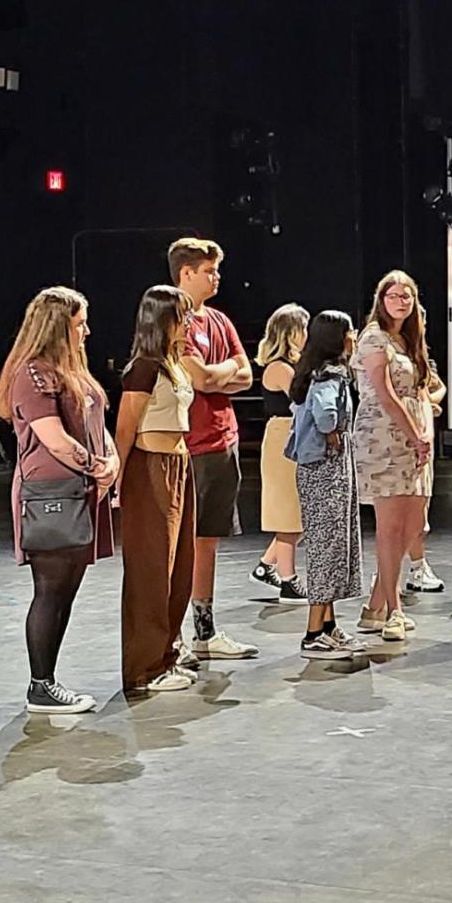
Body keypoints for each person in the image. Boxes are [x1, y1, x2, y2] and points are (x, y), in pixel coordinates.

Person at [0, 287, 120, 714]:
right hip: (51, 494)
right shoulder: (31, 376)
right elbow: (54, 439)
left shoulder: (73, 372)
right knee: (50, 589)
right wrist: (96, 467)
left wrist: (111, 462)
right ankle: (41, 686)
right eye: (79, 323)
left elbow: (97, 423)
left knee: (65, 589)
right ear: (57, 327)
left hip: (80, 491)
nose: (86, 331)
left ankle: (47, 682)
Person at [168, 238, 258, 661]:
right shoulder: (172, 320)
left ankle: (205, 630)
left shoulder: (220, 320)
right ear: (186, 273)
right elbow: (200, 379)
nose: (216, 277)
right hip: (188, 445)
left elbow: (247, 374)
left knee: (209, 540)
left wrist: (218, 375)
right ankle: (172, 635)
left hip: (224, 440)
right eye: (209, 270)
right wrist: (222, 375)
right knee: (180, 542)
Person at [113, 285, 200, 695]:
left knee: (180, 566)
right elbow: (126, 427)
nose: (188, 323)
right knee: (151, 570)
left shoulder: (174, 363)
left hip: (180, 464)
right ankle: (142, 669)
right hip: (150, 469)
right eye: (182, 317)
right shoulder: (143, 367)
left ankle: (167, 655)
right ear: (161, 319)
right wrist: (117, 479)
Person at [354, 270, 442, 642]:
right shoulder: (374, 337)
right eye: (393, 295)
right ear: (381, 299)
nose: (401, 301)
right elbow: (385, 394)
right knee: (390, 527)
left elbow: (427, 390)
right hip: (385, 437)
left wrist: (426, 435)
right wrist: (413, 434)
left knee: (415, 525)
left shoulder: (409, 340)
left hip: (418, 438)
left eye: (407, 296)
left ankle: (374, 605)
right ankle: (392, 609)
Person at [285, 310, 366, 657]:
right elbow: (324, 413)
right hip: (324, 468)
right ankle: (313, 632)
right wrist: (333, 431)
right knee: (326, 546)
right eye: (350, 331)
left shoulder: (323, 374)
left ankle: (329, 625)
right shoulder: (329, 377)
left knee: (334, 543)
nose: (355, 336)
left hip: (331, 466)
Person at [250, 303, 310, 601]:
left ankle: (266, 565)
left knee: (297, 511)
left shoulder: (290, 366)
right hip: (283, 437)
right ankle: (288, 579)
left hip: (293, 435)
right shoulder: (279, 368)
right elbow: (301, 398)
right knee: (289, 512)